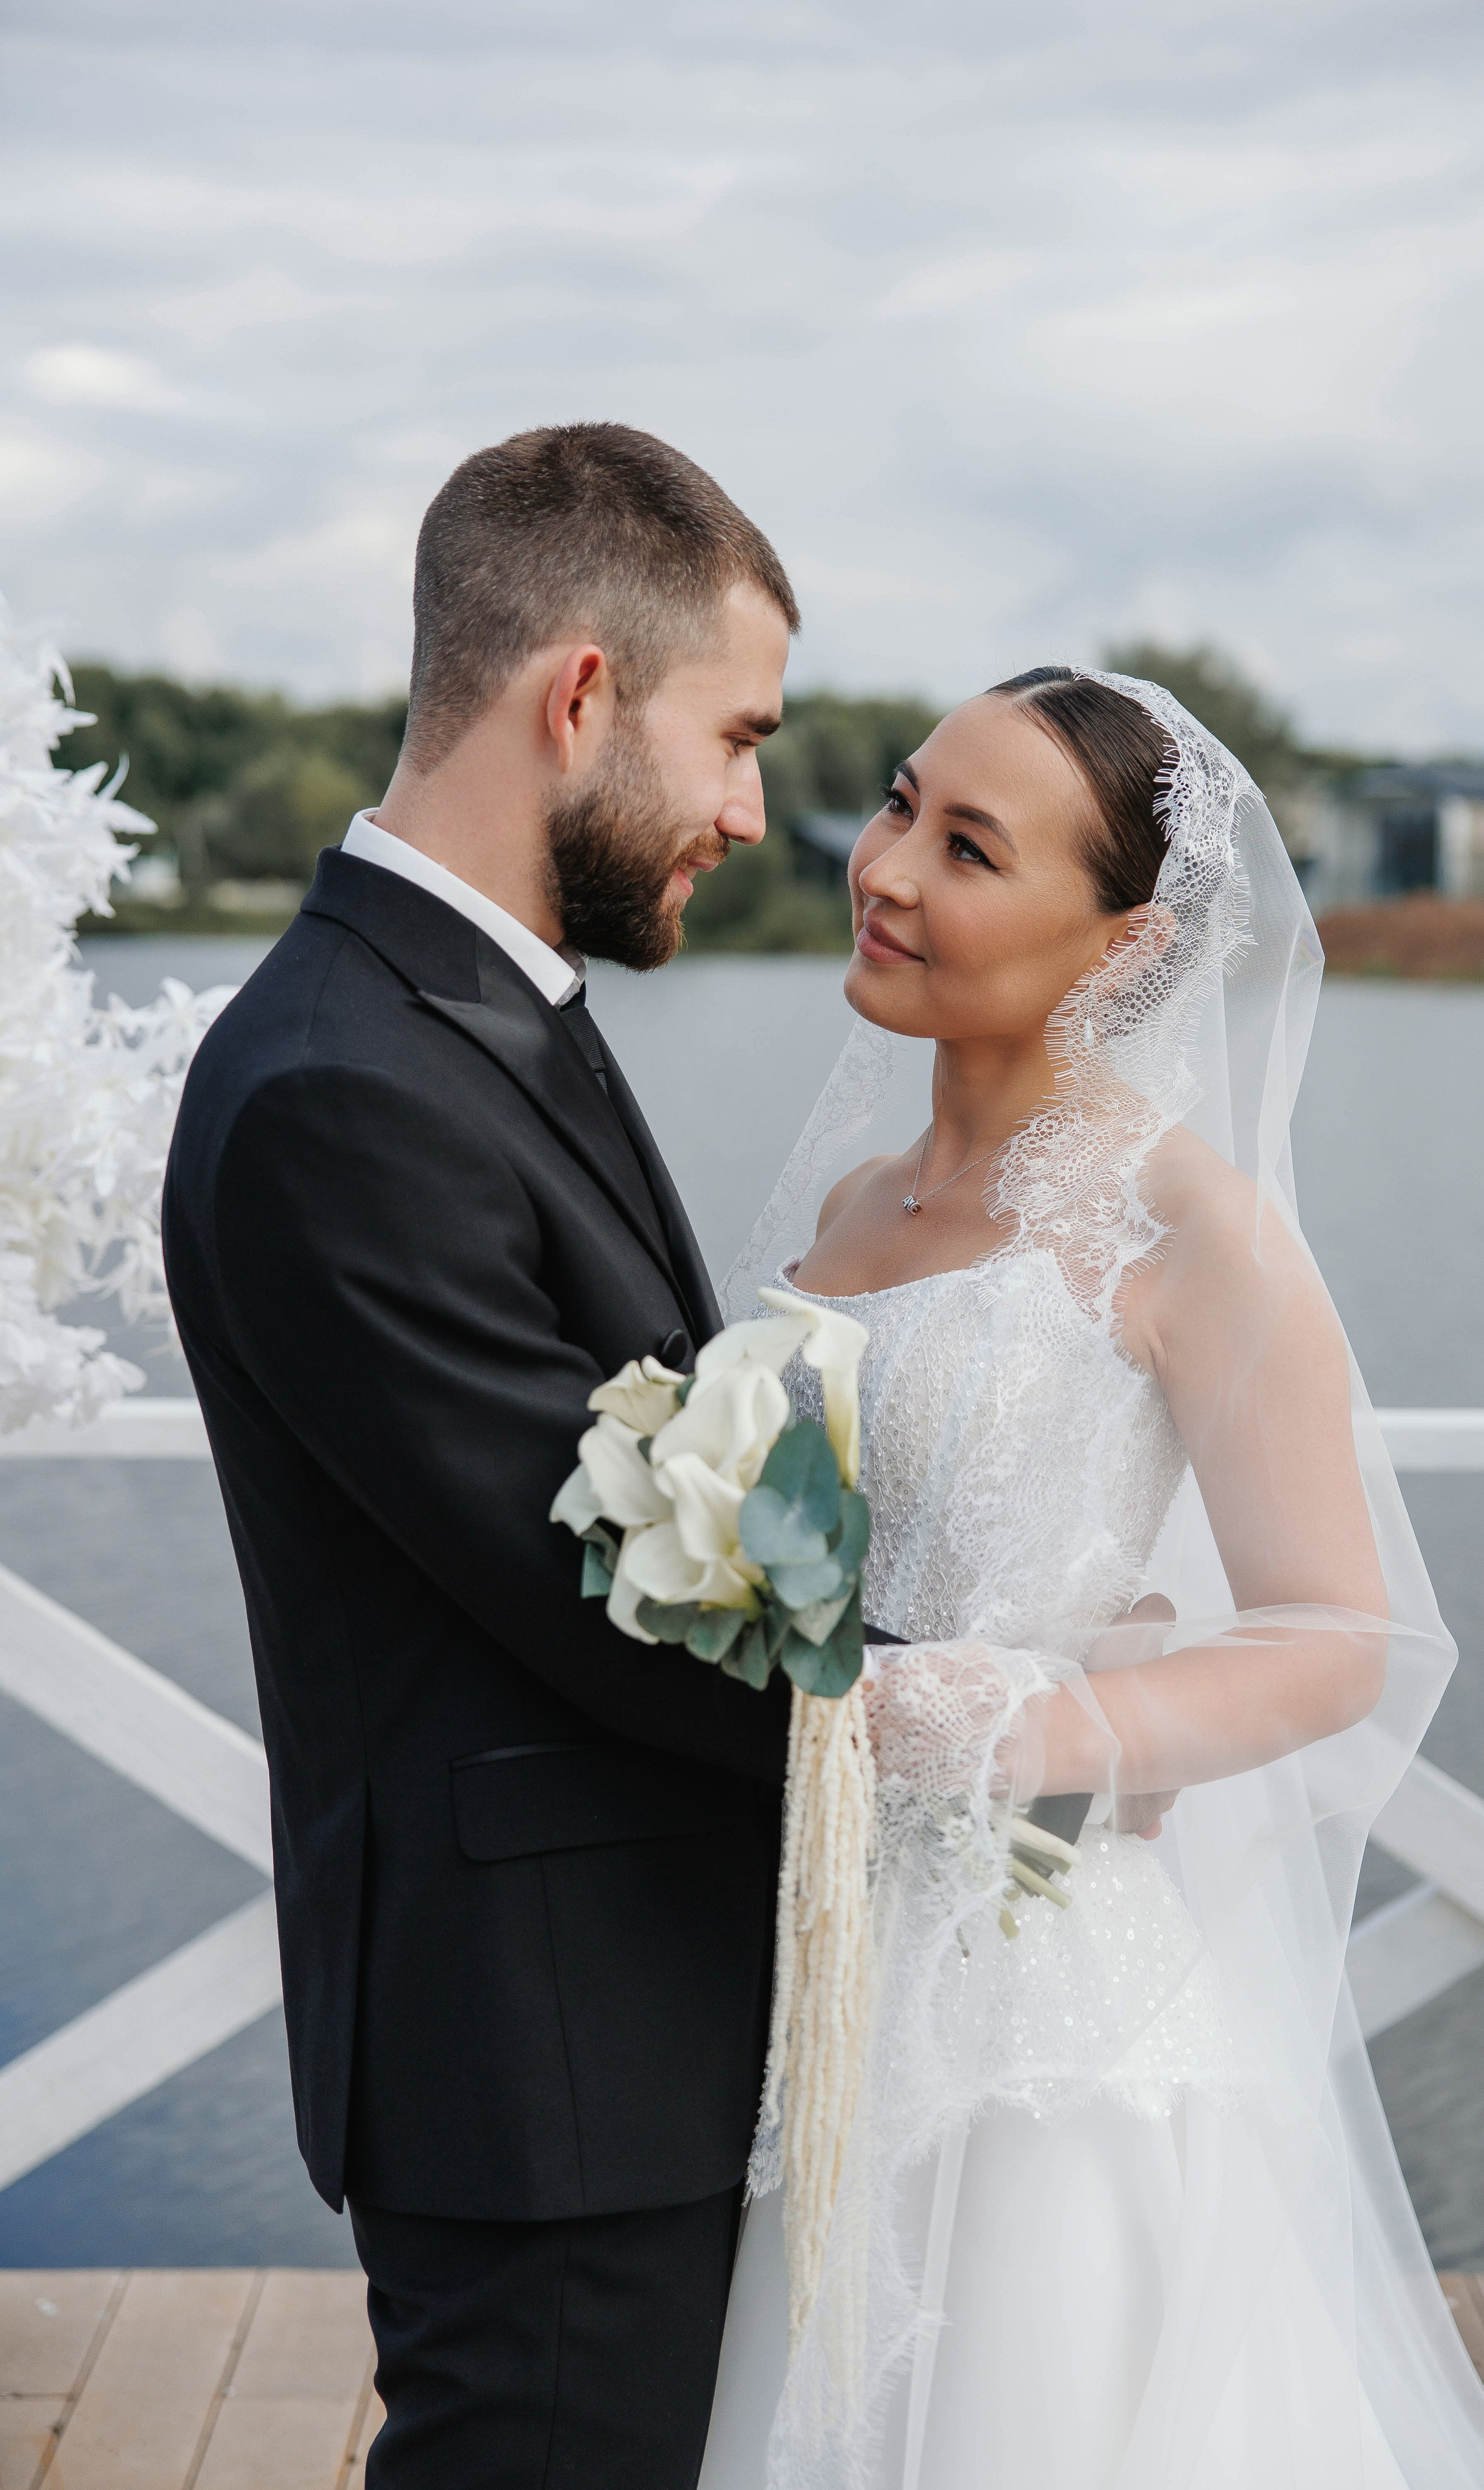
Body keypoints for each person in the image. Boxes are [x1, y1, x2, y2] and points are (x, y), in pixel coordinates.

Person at [702, 670, 1484, 2486]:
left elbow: (1341, 1635)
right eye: (905, 806)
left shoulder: (1190, 1226)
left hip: (1033, 2004)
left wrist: (1044, 1718)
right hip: (804, 1965)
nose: (890, 869)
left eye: (970, 847)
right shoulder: (852, 1207)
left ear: (1123, 942)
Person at [162, 422, 800, 2489]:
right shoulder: (341, 1090)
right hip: (542, 2065)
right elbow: (608, 1597)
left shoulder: (474, 1007)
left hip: (620, 2034)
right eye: (737, 737)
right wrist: (996, 1712)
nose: (752, 809)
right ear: (585, 697)